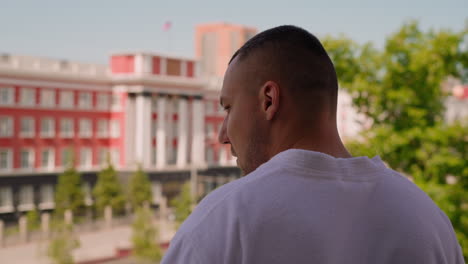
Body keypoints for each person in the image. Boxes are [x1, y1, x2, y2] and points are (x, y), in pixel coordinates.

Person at [161, 25, 464, 264]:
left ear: (269, 100)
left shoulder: (224, 222)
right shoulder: (427, 220)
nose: (222, 135)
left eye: (228, 108)